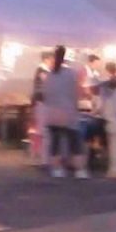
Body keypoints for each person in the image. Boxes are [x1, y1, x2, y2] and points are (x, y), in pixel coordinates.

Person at [42, 45, 89, 179]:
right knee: (76, 142)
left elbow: (46, 95)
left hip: (52, 113)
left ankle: (57, 169)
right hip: (68, 112)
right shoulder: (70, 74)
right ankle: (80, 170)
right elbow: (76, 93)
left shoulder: (50, 74)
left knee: (55, 142)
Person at [28, 51, 54, 166]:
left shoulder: (45, 71)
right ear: (47, 59)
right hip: (41, 103)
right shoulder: (42, 71)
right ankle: (41, 157)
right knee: (42, 129)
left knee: (42, 129)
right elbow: (48, 85)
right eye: (52, 59)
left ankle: (41, 156)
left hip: (43, 102)